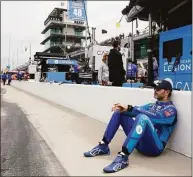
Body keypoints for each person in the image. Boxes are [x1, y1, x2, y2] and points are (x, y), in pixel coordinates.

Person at [84, 80, 177, 173]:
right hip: (140, 144)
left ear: (167, 92)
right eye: (154, 88)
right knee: (119, 113)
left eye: (158, 89)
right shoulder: (151, 105)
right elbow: (137, 110)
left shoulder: (171, 110)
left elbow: (155, 117)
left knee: (142, 117)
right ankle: (103, 146)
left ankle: (123, 158)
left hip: (154, 148)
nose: (155, 90)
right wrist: (123, 108)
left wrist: (130, 108)